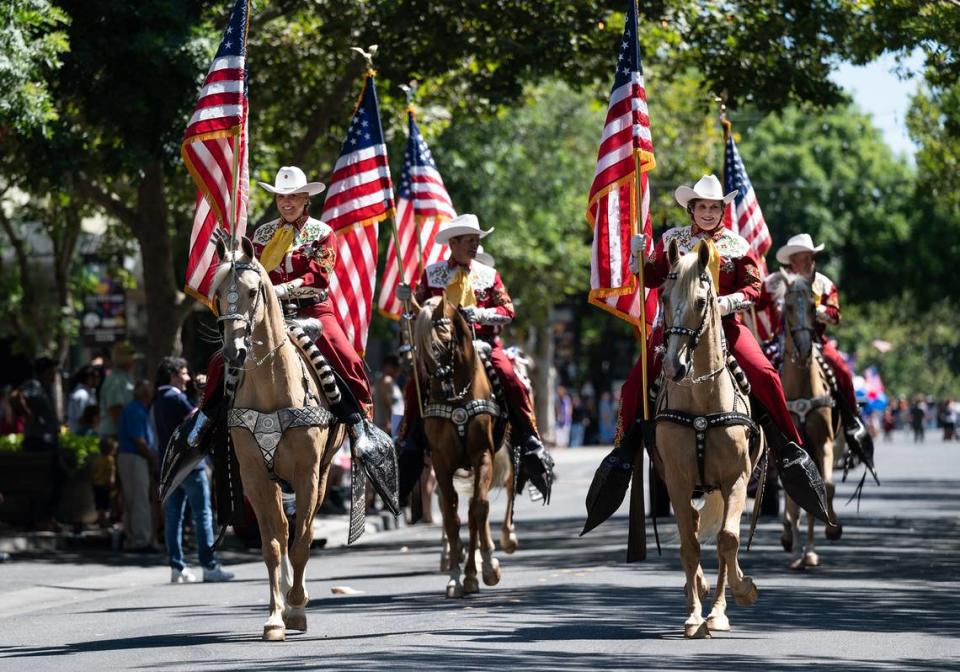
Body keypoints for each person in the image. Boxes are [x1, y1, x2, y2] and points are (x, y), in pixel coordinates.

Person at [590, 175, 829, 525]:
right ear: (691, 209)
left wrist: (723, 303)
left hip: (726, 327)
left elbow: (754, 290)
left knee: (764, 373)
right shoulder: (673, 239)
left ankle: (789, 448)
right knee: (633, 385)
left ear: (721, 210)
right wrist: (638, 258)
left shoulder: (737, 243)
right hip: (677, 329)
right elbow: (653, 277)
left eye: (713, 207)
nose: (707, 212)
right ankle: (624, 454)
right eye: (701, 206)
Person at [200, 166, 375, 448]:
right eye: (282, 197)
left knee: (348, 358)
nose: (287, 202)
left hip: (313, 310)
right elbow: (248, 271)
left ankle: (361, 425)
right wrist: (230, 252)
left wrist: (282, 288)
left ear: (306, 198)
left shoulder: (322, 232)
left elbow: (320, 276)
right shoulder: (260, 235)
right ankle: (206, 419)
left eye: (294, 196)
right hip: (269, 313)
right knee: (221, 358)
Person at [395, 213, 555, 500]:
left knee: (510, 377)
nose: (474, 245)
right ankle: (409, 442)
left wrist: (481, 314)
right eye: (470, 240)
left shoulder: (488, 275)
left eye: (477, 240)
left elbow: (508, 311)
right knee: (415, 383)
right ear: (453, 243)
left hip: (483, 342)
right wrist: (406, 298)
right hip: (442, 345)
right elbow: (417, 313)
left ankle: (530, 439)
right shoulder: (432, 274)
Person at [756, 233, 876, 462]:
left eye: (811, 256)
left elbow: (835, 314)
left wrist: (816, 311)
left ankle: (852, 419)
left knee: (841, 368)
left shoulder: (823, 282)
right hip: (778, 343)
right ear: (792, 260)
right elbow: (754, 303)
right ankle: (758, 426)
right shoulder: (772, 283)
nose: (810, 261)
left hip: (816, 342)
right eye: (804, 257)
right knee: (758, 375)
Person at [153, 357, 233, 583]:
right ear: (174, 375)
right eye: (184, 373)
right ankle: (209, 565)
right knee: (203, 515)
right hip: (190, 465)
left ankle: (177, 567)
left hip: (169, 466)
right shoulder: (174, 397)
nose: (187, 378)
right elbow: (198, 420)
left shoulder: (159, 398)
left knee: (174, 517)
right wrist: (207, 394)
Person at [11, 356, 64, 530]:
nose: (54, 374)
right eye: (52, 370)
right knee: (46, 480)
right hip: (39, 442)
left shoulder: (46, 388)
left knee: (54, 478)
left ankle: (45, 517)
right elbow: (15, 395)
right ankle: (41, 518)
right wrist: (27, 414)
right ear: (46, 371)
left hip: (49, 440)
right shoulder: (33, 385)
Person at [117, 380, 157, 552]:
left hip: (134, 457)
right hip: (134, 457)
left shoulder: (140, 409)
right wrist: (152, 458)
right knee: (138, 499)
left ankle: (135, 538)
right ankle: (140, 539)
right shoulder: (135, 410)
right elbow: (138, 441)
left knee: (134, 499)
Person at [100, 342, 136, 439]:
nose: (134, 361)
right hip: (114, 435)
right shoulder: (115, 380)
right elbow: (115, 411)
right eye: (132, 358)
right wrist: (127, 435)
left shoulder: (126, 377)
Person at [373, 354, 404, 437]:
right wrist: (389, 424)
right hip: (388, 428)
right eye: (395, 366)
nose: (398, 370)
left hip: (393, 427)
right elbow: (389, 404)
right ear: (387, 366)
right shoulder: (387, 381)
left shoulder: (389, 381)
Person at [67, 365, 99, 433]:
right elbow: (81, 419)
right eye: (96, 377)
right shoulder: (82, 395)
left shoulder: (90, 392)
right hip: (80, 436)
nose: (98, 379)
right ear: (89, 378)